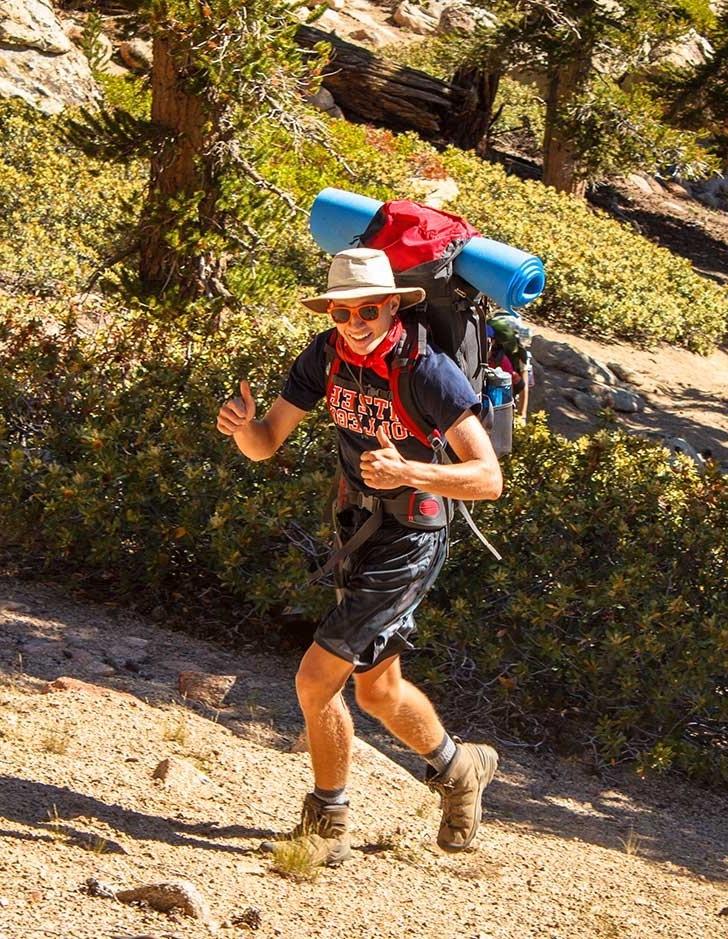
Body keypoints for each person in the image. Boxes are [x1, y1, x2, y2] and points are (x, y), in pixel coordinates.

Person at [216, 247, 503, 866]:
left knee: (315, 680)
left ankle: (328, 823)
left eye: (368, 309)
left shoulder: (429, 372)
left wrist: (410, 471)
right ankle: (461, 771)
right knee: (378, 692)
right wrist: (243, 427)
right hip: (357, 532)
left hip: (412, 539)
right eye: (343, 311)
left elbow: (488, 478)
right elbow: (267, 443)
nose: (355, 322)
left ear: (393, 305)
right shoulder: (325, 355)